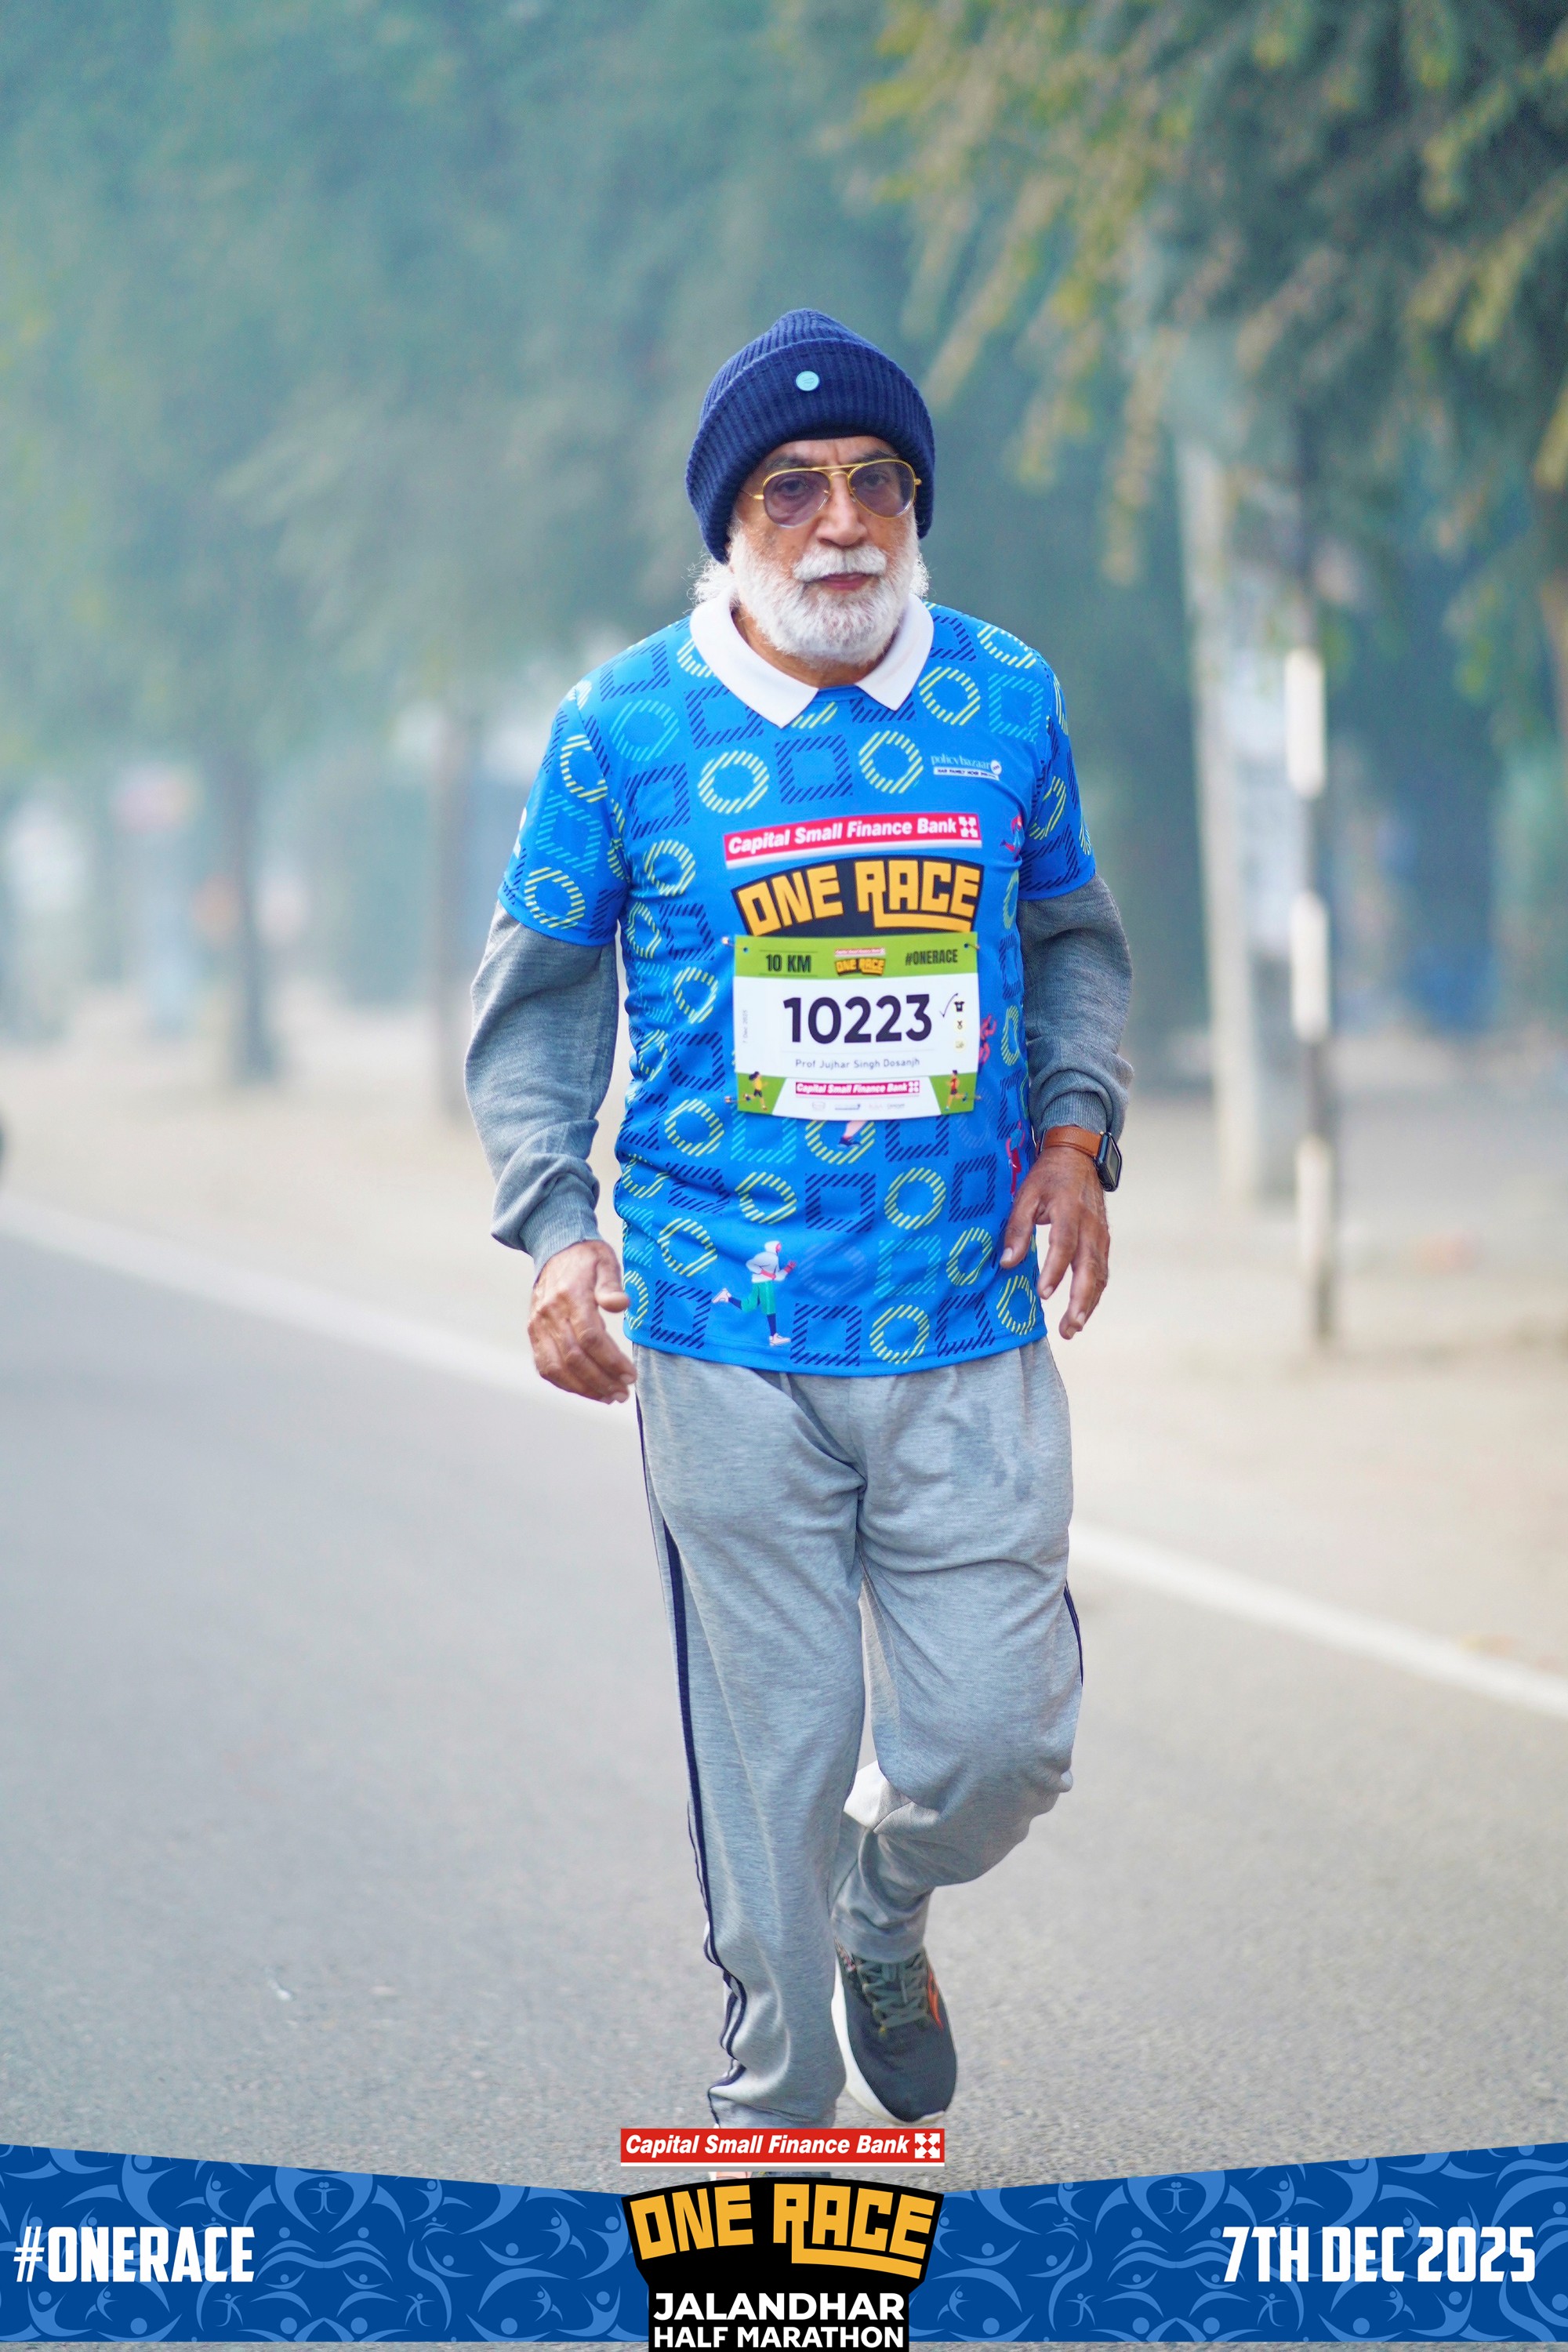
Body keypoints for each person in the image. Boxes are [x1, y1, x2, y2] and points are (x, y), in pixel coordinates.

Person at [467, 310, 1131, 2129]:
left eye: (875, 483)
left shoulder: (1006, 698)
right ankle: (771, 2118)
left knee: (999, 1742)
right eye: (790, 489)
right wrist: (555, 1228)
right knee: (777, 1762)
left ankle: (884, 1907)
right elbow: (535, 1006)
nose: (840, 522)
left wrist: (1077, 1129)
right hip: (721, 1327)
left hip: (966, 1318)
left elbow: (1071, 939)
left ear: (914, 508)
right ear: (728, 522)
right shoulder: (622, 728)